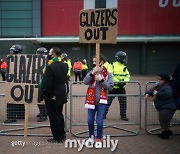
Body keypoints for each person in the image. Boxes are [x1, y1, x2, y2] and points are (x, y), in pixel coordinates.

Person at [84, 54, 114, 148]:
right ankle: (91, 136)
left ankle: (99, 138)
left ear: (101, 62)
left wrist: (101, 80)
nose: (93, 63)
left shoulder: (108, 74)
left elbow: (110, 87)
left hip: (102, 102)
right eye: (93, 61)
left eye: (95, 61)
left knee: (99, 121)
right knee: (89, 120)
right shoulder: (91, 72)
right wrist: (92, 73)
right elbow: (85, 81)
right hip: (91, 101)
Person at [42, 47, 68, 143]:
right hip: (61, 93)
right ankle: (62, 134)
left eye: (49, 52)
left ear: (53, 55)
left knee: (53, 117)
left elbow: (48, 84)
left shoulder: (50, 67)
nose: (48, 54)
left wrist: (45, 94)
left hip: (52, 95)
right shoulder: (65, 65)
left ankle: (57, 137)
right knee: (59, 114)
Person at [145, 73, 177, 139]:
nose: (158, 80)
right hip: (164, 107)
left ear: (163, 80)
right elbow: (152, 91)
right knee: (164, 121)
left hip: (167, 108)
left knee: (164, 121)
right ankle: (165, 133)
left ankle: (165, 133)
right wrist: (148, 94)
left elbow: (167, 94)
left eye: (159, 79)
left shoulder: (167, 87)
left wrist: (157, 94)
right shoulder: (160, 86)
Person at [104, 51, 130, 121]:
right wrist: (118, 82)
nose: (125, 60)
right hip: (113, 88)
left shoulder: (124, 67)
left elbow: (127, 75)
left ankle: (123, 115)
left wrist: (124, 82)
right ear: (119, 58)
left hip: (122, 88)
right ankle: (103, 114)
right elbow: (110, 75)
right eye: (124, 58)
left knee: (123, 102)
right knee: (108, 102)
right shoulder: (112, 65)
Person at [4, 45, 25, 123]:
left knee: (11, 99)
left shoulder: (14, 59)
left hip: (14, 81)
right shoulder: (23, 59)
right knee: (20, 98)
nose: (11, 52)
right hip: (19, 81)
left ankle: (11, 117)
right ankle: (21, 114)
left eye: (13, 50)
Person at [36, 47, 48, 122]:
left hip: (43, 82)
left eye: (38, 53)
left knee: (42, 99)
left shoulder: (46, 62)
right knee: (38, 99)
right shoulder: (37, 61)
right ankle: (42, 112)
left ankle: (44, 115)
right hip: (38, 82)